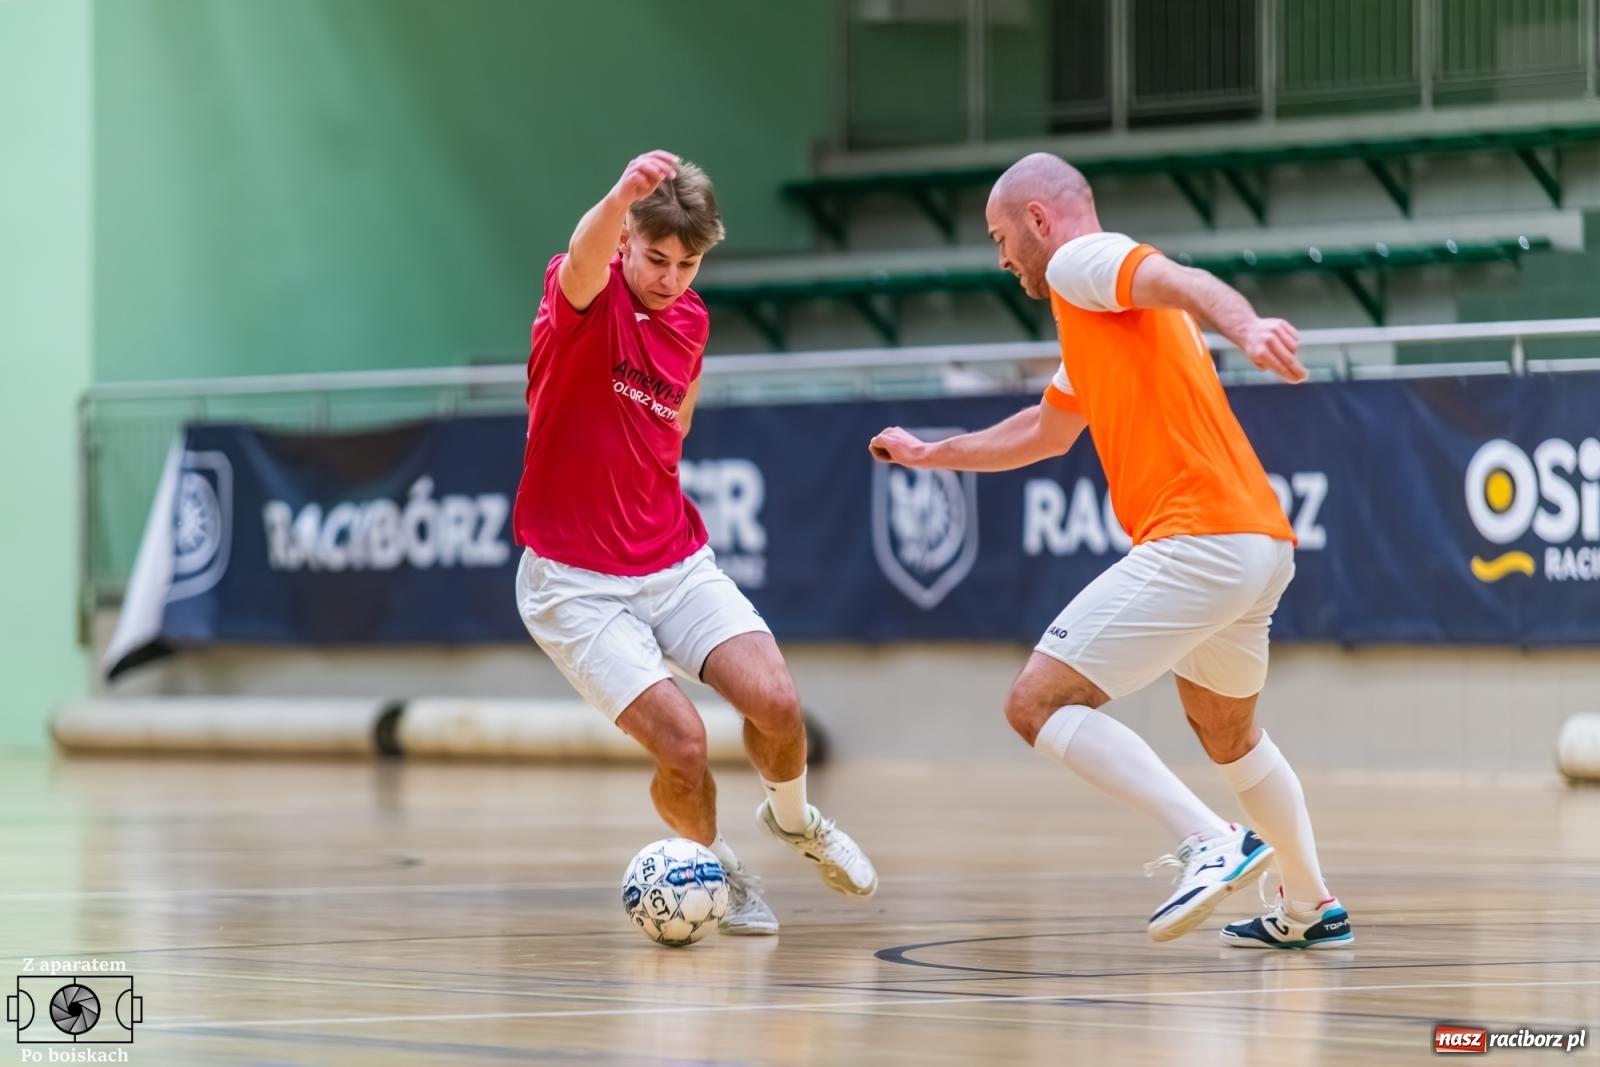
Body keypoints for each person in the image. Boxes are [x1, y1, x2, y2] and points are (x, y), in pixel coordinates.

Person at [869, 153, 1351, 949]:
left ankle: (1210, 838)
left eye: (1000, 237)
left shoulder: (1080, 264)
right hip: (1257, 543)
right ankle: (1311, 906)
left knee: (1035, 704)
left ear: (1038, 219)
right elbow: (1043, 431)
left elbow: (1183, 278)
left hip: (1198, 538)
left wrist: (1246, 324)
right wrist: (930, 454)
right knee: (1228, 733)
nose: (1001, 259)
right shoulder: (1099, 321)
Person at [513, 151, 877, 934]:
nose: (670, 276)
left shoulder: (692, 321)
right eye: (654, 256)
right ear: (625, 244)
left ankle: (794, 818)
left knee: (777, 700)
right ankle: (718, 865)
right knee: (683, 741)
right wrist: (618, 195)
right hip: (575, 582)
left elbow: (674, 421)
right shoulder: (582, 295)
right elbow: (582, 252)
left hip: (672, 558)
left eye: (688, 263)